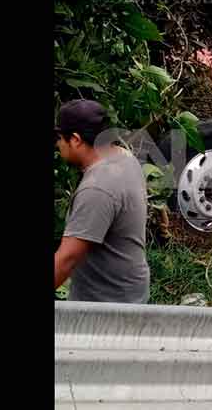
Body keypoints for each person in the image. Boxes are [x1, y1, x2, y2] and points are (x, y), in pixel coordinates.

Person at [54, 99, 150, 303]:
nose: (57, 144)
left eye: (60, 138)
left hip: (105, 309)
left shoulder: (97, 188)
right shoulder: (123, 157)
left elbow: (66, 260)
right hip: (129, 295)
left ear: (76, 139)